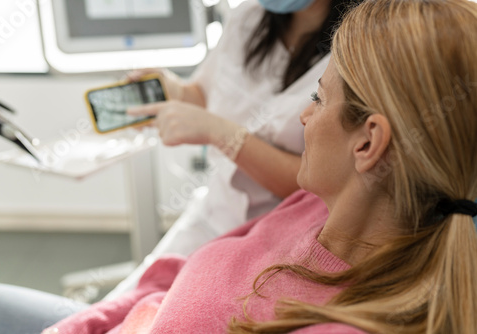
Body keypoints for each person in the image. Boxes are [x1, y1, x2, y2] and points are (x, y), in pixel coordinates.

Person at [37, 0, 476, 332]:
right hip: (180, 264)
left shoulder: (313, 212)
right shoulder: (308, 208)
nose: (306, 116)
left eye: (318, 99)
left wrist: (220, 132)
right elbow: (173, 276)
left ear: (368, 143)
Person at [105, 0, 356, 299]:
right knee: (125, 300)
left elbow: (321, 182)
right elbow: (204, 93)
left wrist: (222, 134)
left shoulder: (357, 46)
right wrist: (173, 89)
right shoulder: (248, 17)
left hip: (282, 233)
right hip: (213, 213)